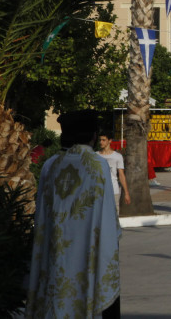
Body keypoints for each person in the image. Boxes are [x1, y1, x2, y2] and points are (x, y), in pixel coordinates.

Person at [28, 109, 121, 319]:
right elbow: (106, 216)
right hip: (86, 252)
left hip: (55, 252)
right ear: (93, 136)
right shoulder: (97, 165)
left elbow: (41, 214)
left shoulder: (50, 165)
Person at [97, 131, 130, 212]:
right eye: (100, 140)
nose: (101, 142)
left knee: (114, 215)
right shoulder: (95, 155)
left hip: (113, 190)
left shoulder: (117, 156)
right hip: (98, 191)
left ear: (110, 140)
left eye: (104, 140)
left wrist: (126, 193)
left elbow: (121, 175)